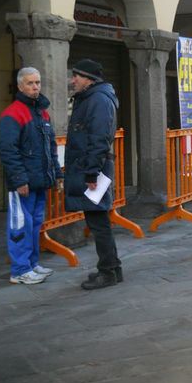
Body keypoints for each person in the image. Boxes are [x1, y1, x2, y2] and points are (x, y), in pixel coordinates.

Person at [0, 67, 63, 284]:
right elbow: (8, 150)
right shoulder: (12, 114)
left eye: (37, 82)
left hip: (39, 180)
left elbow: (50, 146)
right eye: (30, 83)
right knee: (20, 226)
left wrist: (56, 174)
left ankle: (32, 264)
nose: (35, 87)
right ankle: (19, 270)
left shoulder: (42, 113)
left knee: (35, 224)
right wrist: (19, 180)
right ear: (20, 86)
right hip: (24, 183)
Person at [64, 59, 121, 290]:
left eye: (76, 75)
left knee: (98, 222)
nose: (73, 79)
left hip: (92, 170)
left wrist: (91, 172)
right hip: (90, 168)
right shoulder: (92, 98)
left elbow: (99, 138)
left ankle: (108, 272)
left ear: (89, 78)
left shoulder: (97, 100)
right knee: (99, 220)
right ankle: (113, 268)